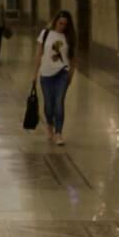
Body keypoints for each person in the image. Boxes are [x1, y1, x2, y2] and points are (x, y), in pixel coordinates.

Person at [36, 10, 76, 146]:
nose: (62, 26)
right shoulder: (45, 34)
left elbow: (73, 59)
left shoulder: (68, 38)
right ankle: (49, 125)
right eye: (60, 23)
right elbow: (39, 54)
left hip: (62, 73)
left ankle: (58, 133)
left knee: (59, 103)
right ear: (55, 21)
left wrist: (70, 75)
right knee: (48, 104)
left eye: (65, 24)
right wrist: (34, 73)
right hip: (46, 73)